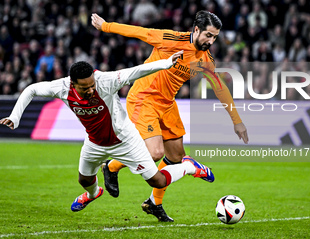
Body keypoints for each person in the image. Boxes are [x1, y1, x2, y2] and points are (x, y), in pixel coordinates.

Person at [0, 51, 216, 213]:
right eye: (85, 88)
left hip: (125, 141)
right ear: (73, 84)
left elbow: (137, 70)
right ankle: (93, 194)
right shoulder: (61, 88)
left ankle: (189, 167)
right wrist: (15, 117)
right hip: (94, 143)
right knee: (84, 179)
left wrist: (166, 63)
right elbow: (31, 89)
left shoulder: (105, 81)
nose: (91, 89)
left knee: (157, 181)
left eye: (92, 85)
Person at [91, 10, 249, 222]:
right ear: (196, 30)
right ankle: (111, 167)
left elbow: (220, 88)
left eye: (214, 37)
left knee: (175, 158)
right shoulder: (172, 39)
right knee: (154, 153)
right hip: (143, 98)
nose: (211, 41)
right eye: (208, 35)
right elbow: (141, 32)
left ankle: (154, 203)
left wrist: (237, 121)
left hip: (167, 104)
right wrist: (106, 26)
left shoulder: (205, 58)